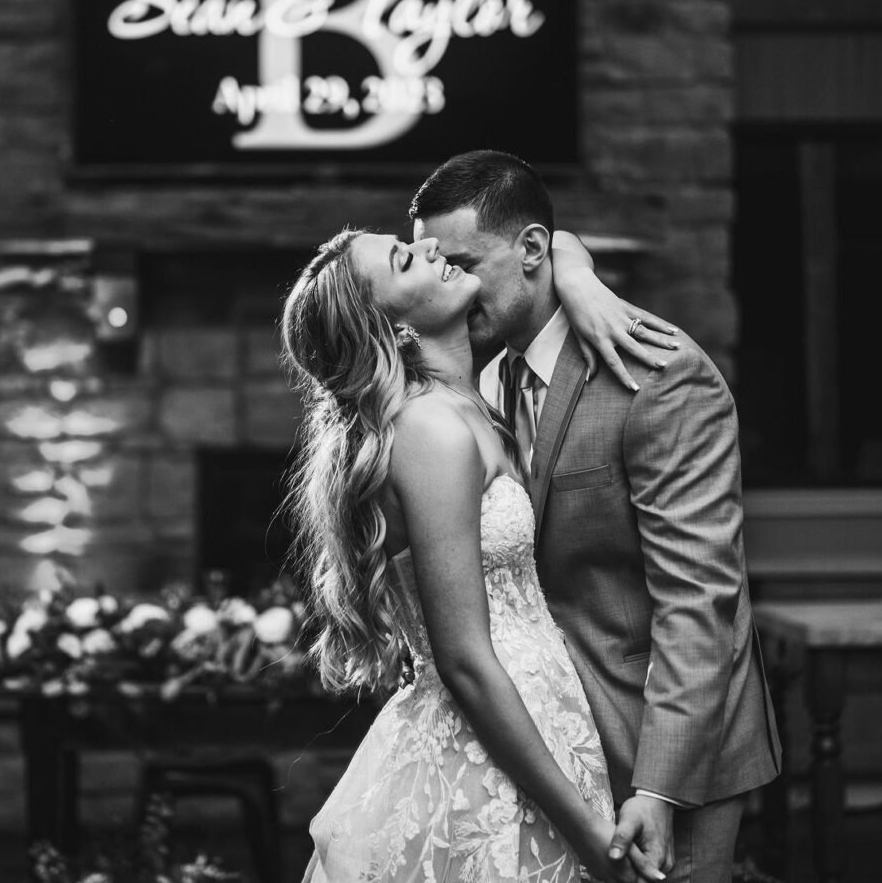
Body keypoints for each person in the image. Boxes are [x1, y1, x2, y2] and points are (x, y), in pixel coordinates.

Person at [409, 150, 783, 883]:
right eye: (432, 264)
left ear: (532, 251)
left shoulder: (659, 375)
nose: (447, 283)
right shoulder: (481, 376)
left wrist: (659, 786)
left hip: (667, 742)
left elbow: (699, 601)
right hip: (552, 741)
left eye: (461, 262)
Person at [280, 227, 674, 883]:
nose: (432, 248)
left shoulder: (471, 399)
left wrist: (575, 273)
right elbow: (464, 660)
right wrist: (588, 834)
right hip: (487, 757)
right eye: (406, 259)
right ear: (393, 328)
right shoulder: (430, 429)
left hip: (542, 724)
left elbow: (551, 238)